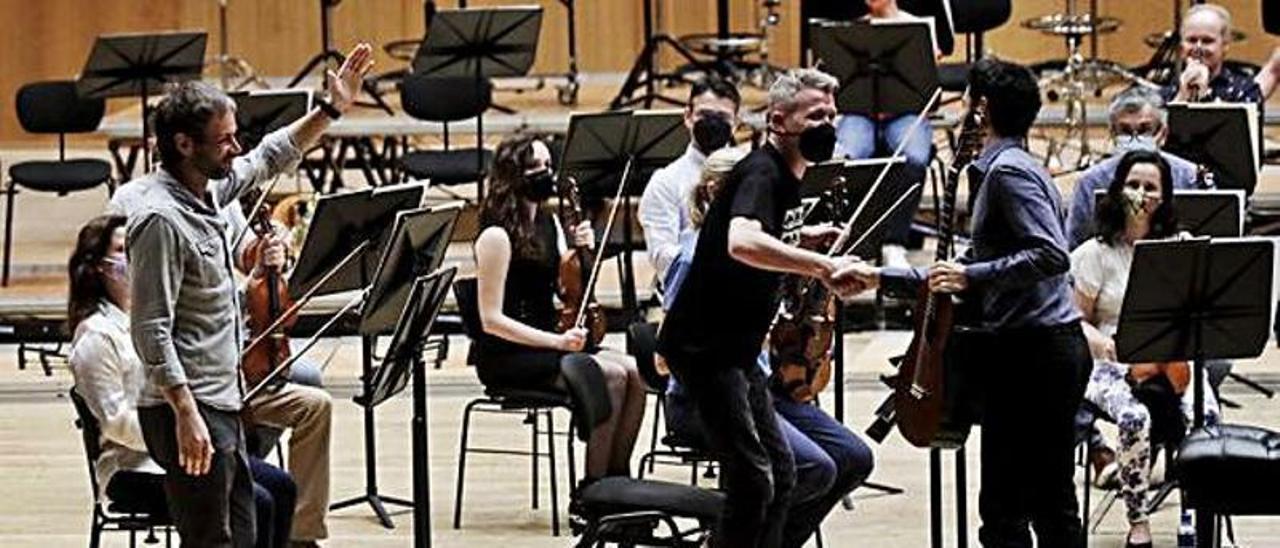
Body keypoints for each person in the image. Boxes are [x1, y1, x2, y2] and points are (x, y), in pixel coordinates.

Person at [126, 44, 373, 546]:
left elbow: (270, 155)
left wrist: (329, 110)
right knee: (210, 539)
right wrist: (186, 414)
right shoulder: (159, 220)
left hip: (223, 396)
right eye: (224, 141)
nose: (236, 149)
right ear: (185, 144)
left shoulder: (210, 188)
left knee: (244, 533)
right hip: (187, 406)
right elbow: (150, 330)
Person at [843, 58, 1090, 547]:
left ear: (981, 108)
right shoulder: (1007, 167)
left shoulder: (1008, 174)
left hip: (1036, 355)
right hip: (1027, 352)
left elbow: (1050, 255)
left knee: (1031, 505)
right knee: (1019, 504)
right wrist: (879, 275)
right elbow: (962, 267)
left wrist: (970, 275)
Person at [656, 68, 861, 548]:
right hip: (704, 351)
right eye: (814, 116)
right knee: (754, 478)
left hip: (737, 350)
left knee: (783, 476)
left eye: (831, 115)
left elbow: (761, 233)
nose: (826, 125)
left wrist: (801, 237)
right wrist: (820, 265)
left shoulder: (788, 177)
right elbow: (742, 240)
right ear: (778, 120)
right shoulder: (762, 171)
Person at [68, 215, 297, 548]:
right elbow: (116, 424)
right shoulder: (95, 338)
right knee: (257, 503)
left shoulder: (158, 313)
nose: (133, 258)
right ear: (98, 266)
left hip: (194, 448)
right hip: (135, 468)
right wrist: (181, 435)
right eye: (121, 250)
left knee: (282, 486)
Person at [473, 133, 647, 482]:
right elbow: (490, 320)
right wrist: (557, 342)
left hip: (551, 339)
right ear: (512, 175)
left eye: (548, 166)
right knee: (610, 376)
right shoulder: (496, 236)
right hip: (509, 354)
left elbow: (565, 288)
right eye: (534, 167)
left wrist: (582, 250)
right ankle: (592, 490)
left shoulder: (547, 223)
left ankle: (619, 482)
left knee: (636, 372)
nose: (545, 174)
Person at [1071, 150, 1221, 548]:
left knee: (1205, 413)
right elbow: (1076, 321)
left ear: (1164, 197)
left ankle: (1194, 512)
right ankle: (1138, 520)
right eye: (1132, 184)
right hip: (1115, 361)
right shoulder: (1093, 253)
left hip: (1172, 355)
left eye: (1150, 187)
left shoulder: (1181, 247)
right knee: (1134, 417)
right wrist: (1105, 345)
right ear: (1118, 191)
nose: (1140, 193)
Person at [833, 0, 938, 269]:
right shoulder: (850, 31)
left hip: (906, 113)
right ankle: (852, 238)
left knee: (914, 158)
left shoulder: (920, 27)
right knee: (846, 158)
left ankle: (895, 243)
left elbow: (928, 85)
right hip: (860, 112)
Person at [1065, 86, 1204, 251]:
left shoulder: (1189, 176)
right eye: (1125, 131)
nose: (1134, 139)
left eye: (1145, 130)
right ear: (1112, 134)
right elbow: (1074, 246)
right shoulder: (1090, 182)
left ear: (1163, 133)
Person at [639, 78, 741, 284]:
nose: (713, 122)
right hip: (690, 294)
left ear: (736, 124)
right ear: (687, 117)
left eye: (722, 117)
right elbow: (662, 256)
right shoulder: (665, 181)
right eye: (704, 115)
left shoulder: (751, 172)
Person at [1164, 4, 1262, 104]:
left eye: (1207, 41)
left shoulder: (1246, 90)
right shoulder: (1164, 88)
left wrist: (1204, 94)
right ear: (1181, 46)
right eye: (1192, 40)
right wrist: (1182, 96)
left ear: (1224, 45)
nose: (1198, 47)